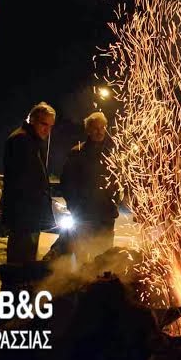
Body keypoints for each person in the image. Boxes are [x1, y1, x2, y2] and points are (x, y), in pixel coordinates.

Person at [57, 111, 118, 263]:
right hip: (84, 214)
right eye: (95, 128)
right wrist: (74, 205)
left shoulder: (113, 153)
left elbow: (120, 179)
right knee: (83, 256)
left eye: (102, 127)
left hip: (106, 214)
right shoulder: (77, 153)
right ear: (88, 130)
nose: (99, 131)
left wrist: (115, 197)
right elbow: (67, 183)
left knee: (104, 258)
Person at [3, 102, 56, 264]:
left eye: (50, 126)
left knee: (26, 260)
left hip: (29, 215)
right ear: (32, 120)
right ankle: (16, 289)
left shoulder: (30, 140)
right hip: (24, 215)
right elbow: (24, 180)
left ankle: (19, 287)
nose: (47, 130)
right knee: (21, 263)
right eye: (43, 124)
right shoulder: (22, 140)